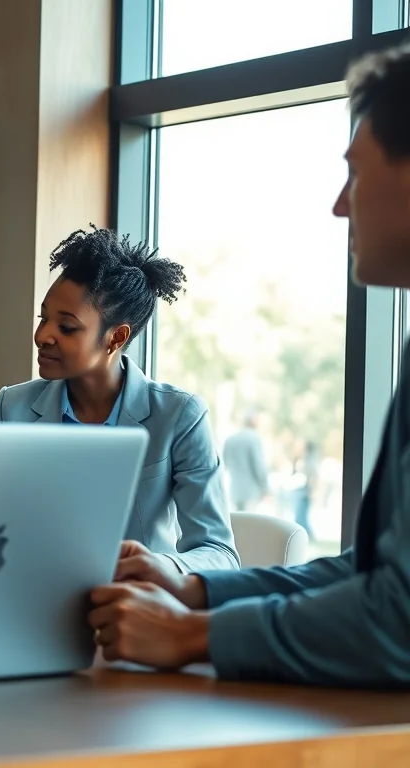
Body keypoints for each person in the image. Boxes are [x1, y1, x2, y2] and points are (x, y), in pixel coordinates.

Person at [90, 42, 410, 685]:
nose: (340, 205)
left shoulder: (178, 413)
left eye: (357, 172)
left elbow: (398, 620)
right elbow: (377, 573)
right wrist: (199, 597)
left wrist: (191, 635)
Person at [0, 226, 239, 574]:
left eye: (67, 327)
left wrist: (152, 567)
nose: (42, 335)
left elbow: (219, 553)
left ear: (115, 337)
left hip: (133, 605)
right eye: (43, 318)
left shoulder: (180, 416)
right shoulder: (11, 408)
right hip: (29, 596)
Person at [222, 411, 269, 511]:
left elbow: (223, 466)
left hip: (234, 491)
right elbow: (258, 466)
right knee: (250, 524)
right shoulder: (254, 439)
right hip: (251, 492)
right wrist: (265, 488)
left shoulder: (230, 440)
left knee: (239, 523)